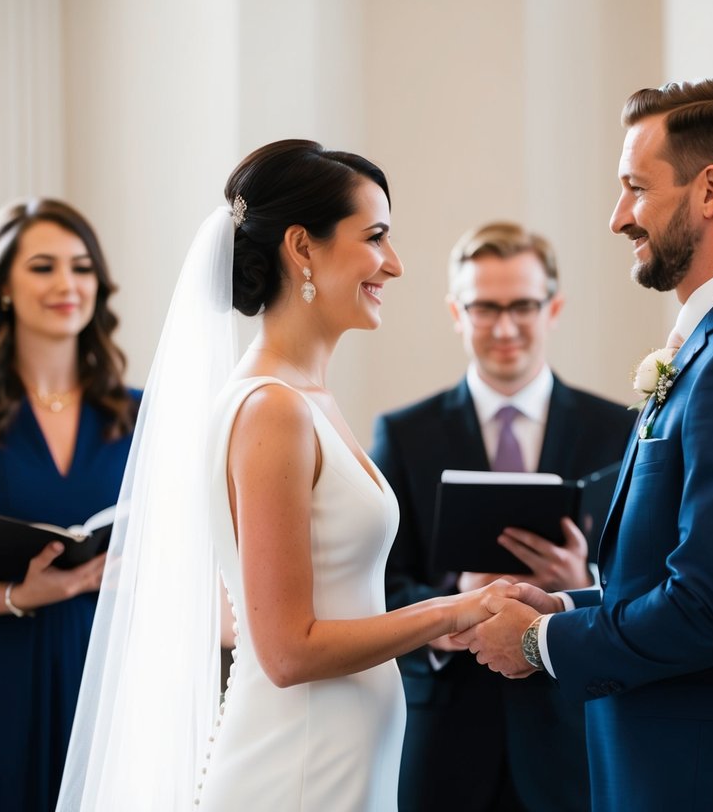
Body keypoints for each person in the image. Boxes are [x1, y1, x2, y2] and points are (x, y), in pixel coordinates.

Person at [56, 140, 505, 812]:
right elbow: (287, 650)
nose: (395, 263)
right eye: (375, 236)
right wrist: (449, 609)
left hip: (341, 762)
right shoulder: (272, 408)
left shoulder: (306, 397)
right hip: (295, 768)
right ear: (302, 247)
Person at [463, 77, 713, 810]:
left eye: (635, 189)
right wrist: (566, 608)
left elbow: (710, 612)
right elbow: (685, 572)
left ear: (709, 191)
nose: (617, 218)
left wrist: (537, 644)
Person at [371, 222, 635, 812]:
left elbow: (642, 587)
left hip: (572, 743)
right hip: (446, 749)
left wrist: (580, 586)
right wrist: (452, 606)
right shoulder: (404, 436)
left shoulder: (616, 430)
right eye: (485, 308)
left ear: (554, 308)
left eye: (523, 306)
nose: (506, 327)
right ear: (456, 312)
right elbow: (376, 591)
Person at [0, 198, 139, 812]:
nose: (67, 285)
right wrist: (17, 597)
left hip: (104, 676)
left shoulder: (137, 414)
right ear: (3, 286)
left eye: (81, 268)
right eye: (43, 267)